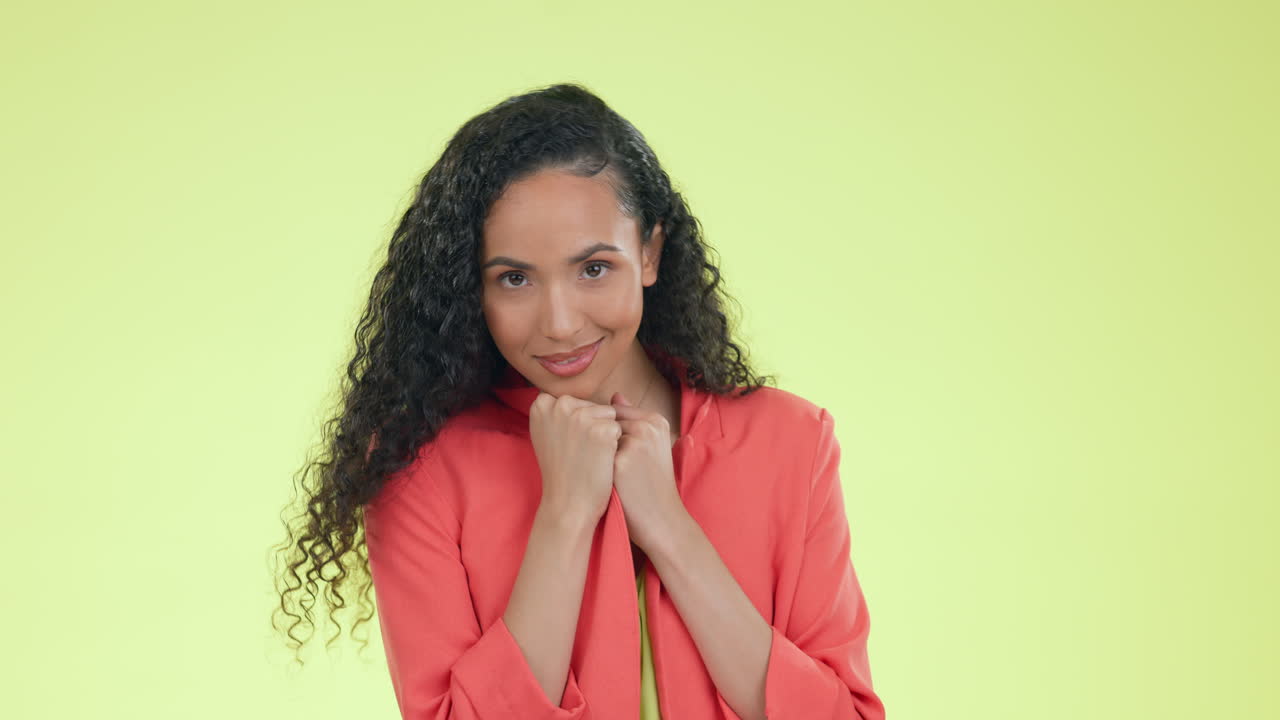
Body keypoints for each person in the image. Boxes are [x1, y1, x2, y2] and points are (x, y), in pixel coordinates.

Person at [272, 82, 885, 720]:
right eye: (514, 279)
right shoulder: (419, 470)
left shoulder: (792, 441)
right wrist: (563, 516)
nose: (560, 323)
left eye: (593, 268)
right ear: (469, 289)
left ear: (648, 251)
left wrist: (671, 530)